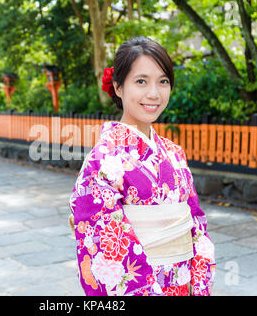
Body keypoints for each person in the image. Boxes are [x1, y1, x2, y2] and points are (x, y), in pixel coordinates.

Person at [68, 36, 216, 296]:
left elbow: (197, 226)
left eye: (163, 82)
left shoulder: (174, 154)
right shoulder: (103, 160)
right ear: (118, 87)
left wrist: (199, 285)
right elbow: (104, 245)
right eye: (141, 81)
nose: (154, 94)